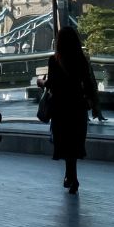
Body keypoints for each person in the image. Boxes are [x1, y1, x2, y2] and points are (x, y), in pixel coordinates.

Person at [45, 25, 102, 194]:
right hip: (77, 107)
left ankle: (71, 177)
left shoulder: (54, 60)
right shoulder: (81, 60)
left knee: (65, 144)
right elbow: (88, 83)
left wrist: (41, 83)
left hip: (60, 108)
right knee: (74, 144)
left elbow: (52, 84)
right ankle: (71, 177)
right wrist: (94, 105)